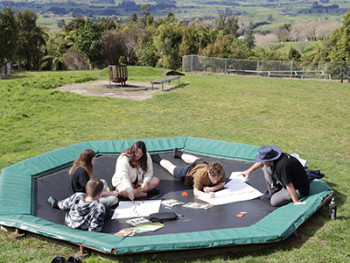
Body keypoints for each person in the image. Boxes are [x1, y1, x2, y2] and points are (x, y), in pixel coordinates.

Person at [240, 145, 309, 207]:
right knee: (266, 167)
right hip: (289, 181)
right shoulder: (277, 158)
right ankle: (273, 191)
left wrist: (296, 201)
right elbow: (262, 163)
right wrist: (248, 171)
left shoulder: (282, 166)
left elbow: (289, 184)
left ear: (268, 160)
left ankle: (278, 194)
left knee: (274, 201)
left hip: (297, 189)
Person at [151, 148, 226, 198]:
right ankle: (157, 159)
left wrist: (211, 189)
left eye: (218, 178)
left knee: (196, 159)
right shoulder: (200, 175)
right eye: (214, 179)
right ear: (209, 173)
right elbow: (196, 192)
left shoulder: (220, 171)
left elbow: (222, 183)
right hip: (188, 173)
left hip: (201, 164)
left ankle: (179, 154)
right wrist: (206, 196)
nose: (216, 181)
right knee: (172, 168)